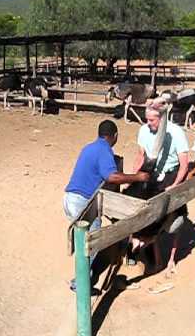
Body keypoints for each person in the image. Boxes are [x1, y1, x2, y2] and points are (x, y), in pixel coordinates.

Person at [64, 120, 149, 291]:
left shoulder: (89, 147)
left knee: (84, 241)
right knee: (91, 243)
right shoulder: (104, 150)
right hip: (83, 202)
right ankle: (79, 284)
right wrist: (137, 177)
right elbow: (112, 177)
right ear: (115, 136)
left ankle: (83, 279)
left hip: (69, 198)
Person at [131, 104, 189, 275]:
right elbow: (140, 156)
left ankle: (171, 260)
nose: (148, 123)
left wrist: (175, 185)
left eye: (152, 120)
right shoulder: (144, 130)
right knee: (146, 214)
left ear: (161, 118)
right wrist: (134, 179)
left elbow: (184, 164)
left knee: (174, 218)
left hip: (171, 175)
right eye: (147, 119)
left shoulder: (176, 132)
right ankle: (155, 259)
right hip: (152, 173)